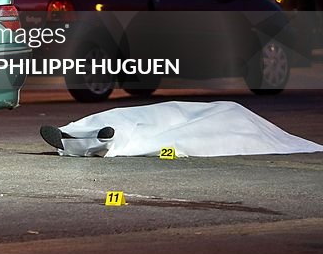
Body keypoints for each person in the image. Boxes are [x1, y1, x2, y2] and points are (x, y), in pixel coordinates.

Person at [39, 101, 323, 157]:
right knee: (151, 118)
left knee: (165, 134)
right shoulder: (235, 111)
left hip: (223, 115)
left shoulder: (243, 121)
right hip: (201, 110)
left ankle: (79, 138)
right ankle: (75, 132)